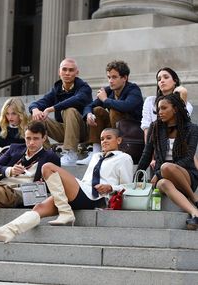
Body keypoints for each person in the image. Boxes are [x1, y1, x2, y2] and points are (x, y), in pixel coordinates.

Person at [0, 128, 134, 243]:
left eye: (109, 138)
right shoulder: (95, 156)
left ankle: (66, 213)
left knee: (48, 167)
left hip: (97, 197)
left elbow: (129, 187)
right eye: (101, 139)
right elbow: (87, 179)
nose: (104, 141)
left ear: (119, 140)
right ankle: (8, 232)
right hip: (83, 189)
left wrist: (111, 188)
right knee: (39, 208)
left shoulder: (124, 158)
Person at [0, 121, 60, 209]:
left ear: (44, 138)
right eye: (28, 138)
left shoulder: (51, 157)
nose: (31, 143)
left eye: (36, 139)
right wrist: (9, 170)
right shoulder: (15, 148)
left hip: (15, 193)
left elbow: (52, 187)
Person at [137, 93, 198, 230]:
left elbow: (189, 158)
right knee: (163, 183)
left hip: (186, 175)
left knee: (166, 168)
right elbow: (147, 155)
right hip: (163, 177)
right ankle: (194, 212)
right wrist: (138, 178)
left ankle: (193, 197)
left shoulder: (192, 129)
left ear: (175, 109)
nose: (160, 112)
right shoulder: (156, 127)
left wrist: (158, 173)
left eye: (164, 108)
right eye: (158, 109)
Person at [77, 60, 144, 165]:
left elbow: (127, 106)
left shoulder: (133, 90)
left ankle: (116, 150)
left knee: (114, 110)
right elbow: (89, 106)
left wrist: (105, 100)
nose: (110, 81)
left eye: (114, 77)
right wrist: (89, 114)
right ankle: (96, 152)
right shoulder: (108, 91)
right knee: (97, 110)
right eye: (109, 77)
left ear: (125, 78)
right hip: (115, 129)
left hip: (131, 133)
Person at [29, 58, 93, 166]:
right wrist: (35, 109)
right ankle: (46, 154)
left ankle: (71, 153)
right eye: (64, 69)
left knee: (69, 110)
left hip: (84, 130)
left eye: (71, 70)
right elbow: (39, 103)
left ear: (77, 73)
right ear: (59, 72)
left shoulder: (84, 88)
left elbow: (75, 100)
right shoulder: (56, 89)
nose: (67, 73)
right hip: (65, 131)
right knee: (38, 117)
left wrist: (51, 108)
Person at [141, 67, 194, 171]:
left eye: (166, 77)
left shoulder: (188, 106)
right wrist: (152, 158)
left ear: (175, 81)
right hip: (157, 151)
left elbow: (182, 127)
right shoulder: (150, 101)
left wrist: (182, 95)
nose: (162, 81)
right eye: (159, 79)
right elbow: (147, 129)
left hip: (178, 150)